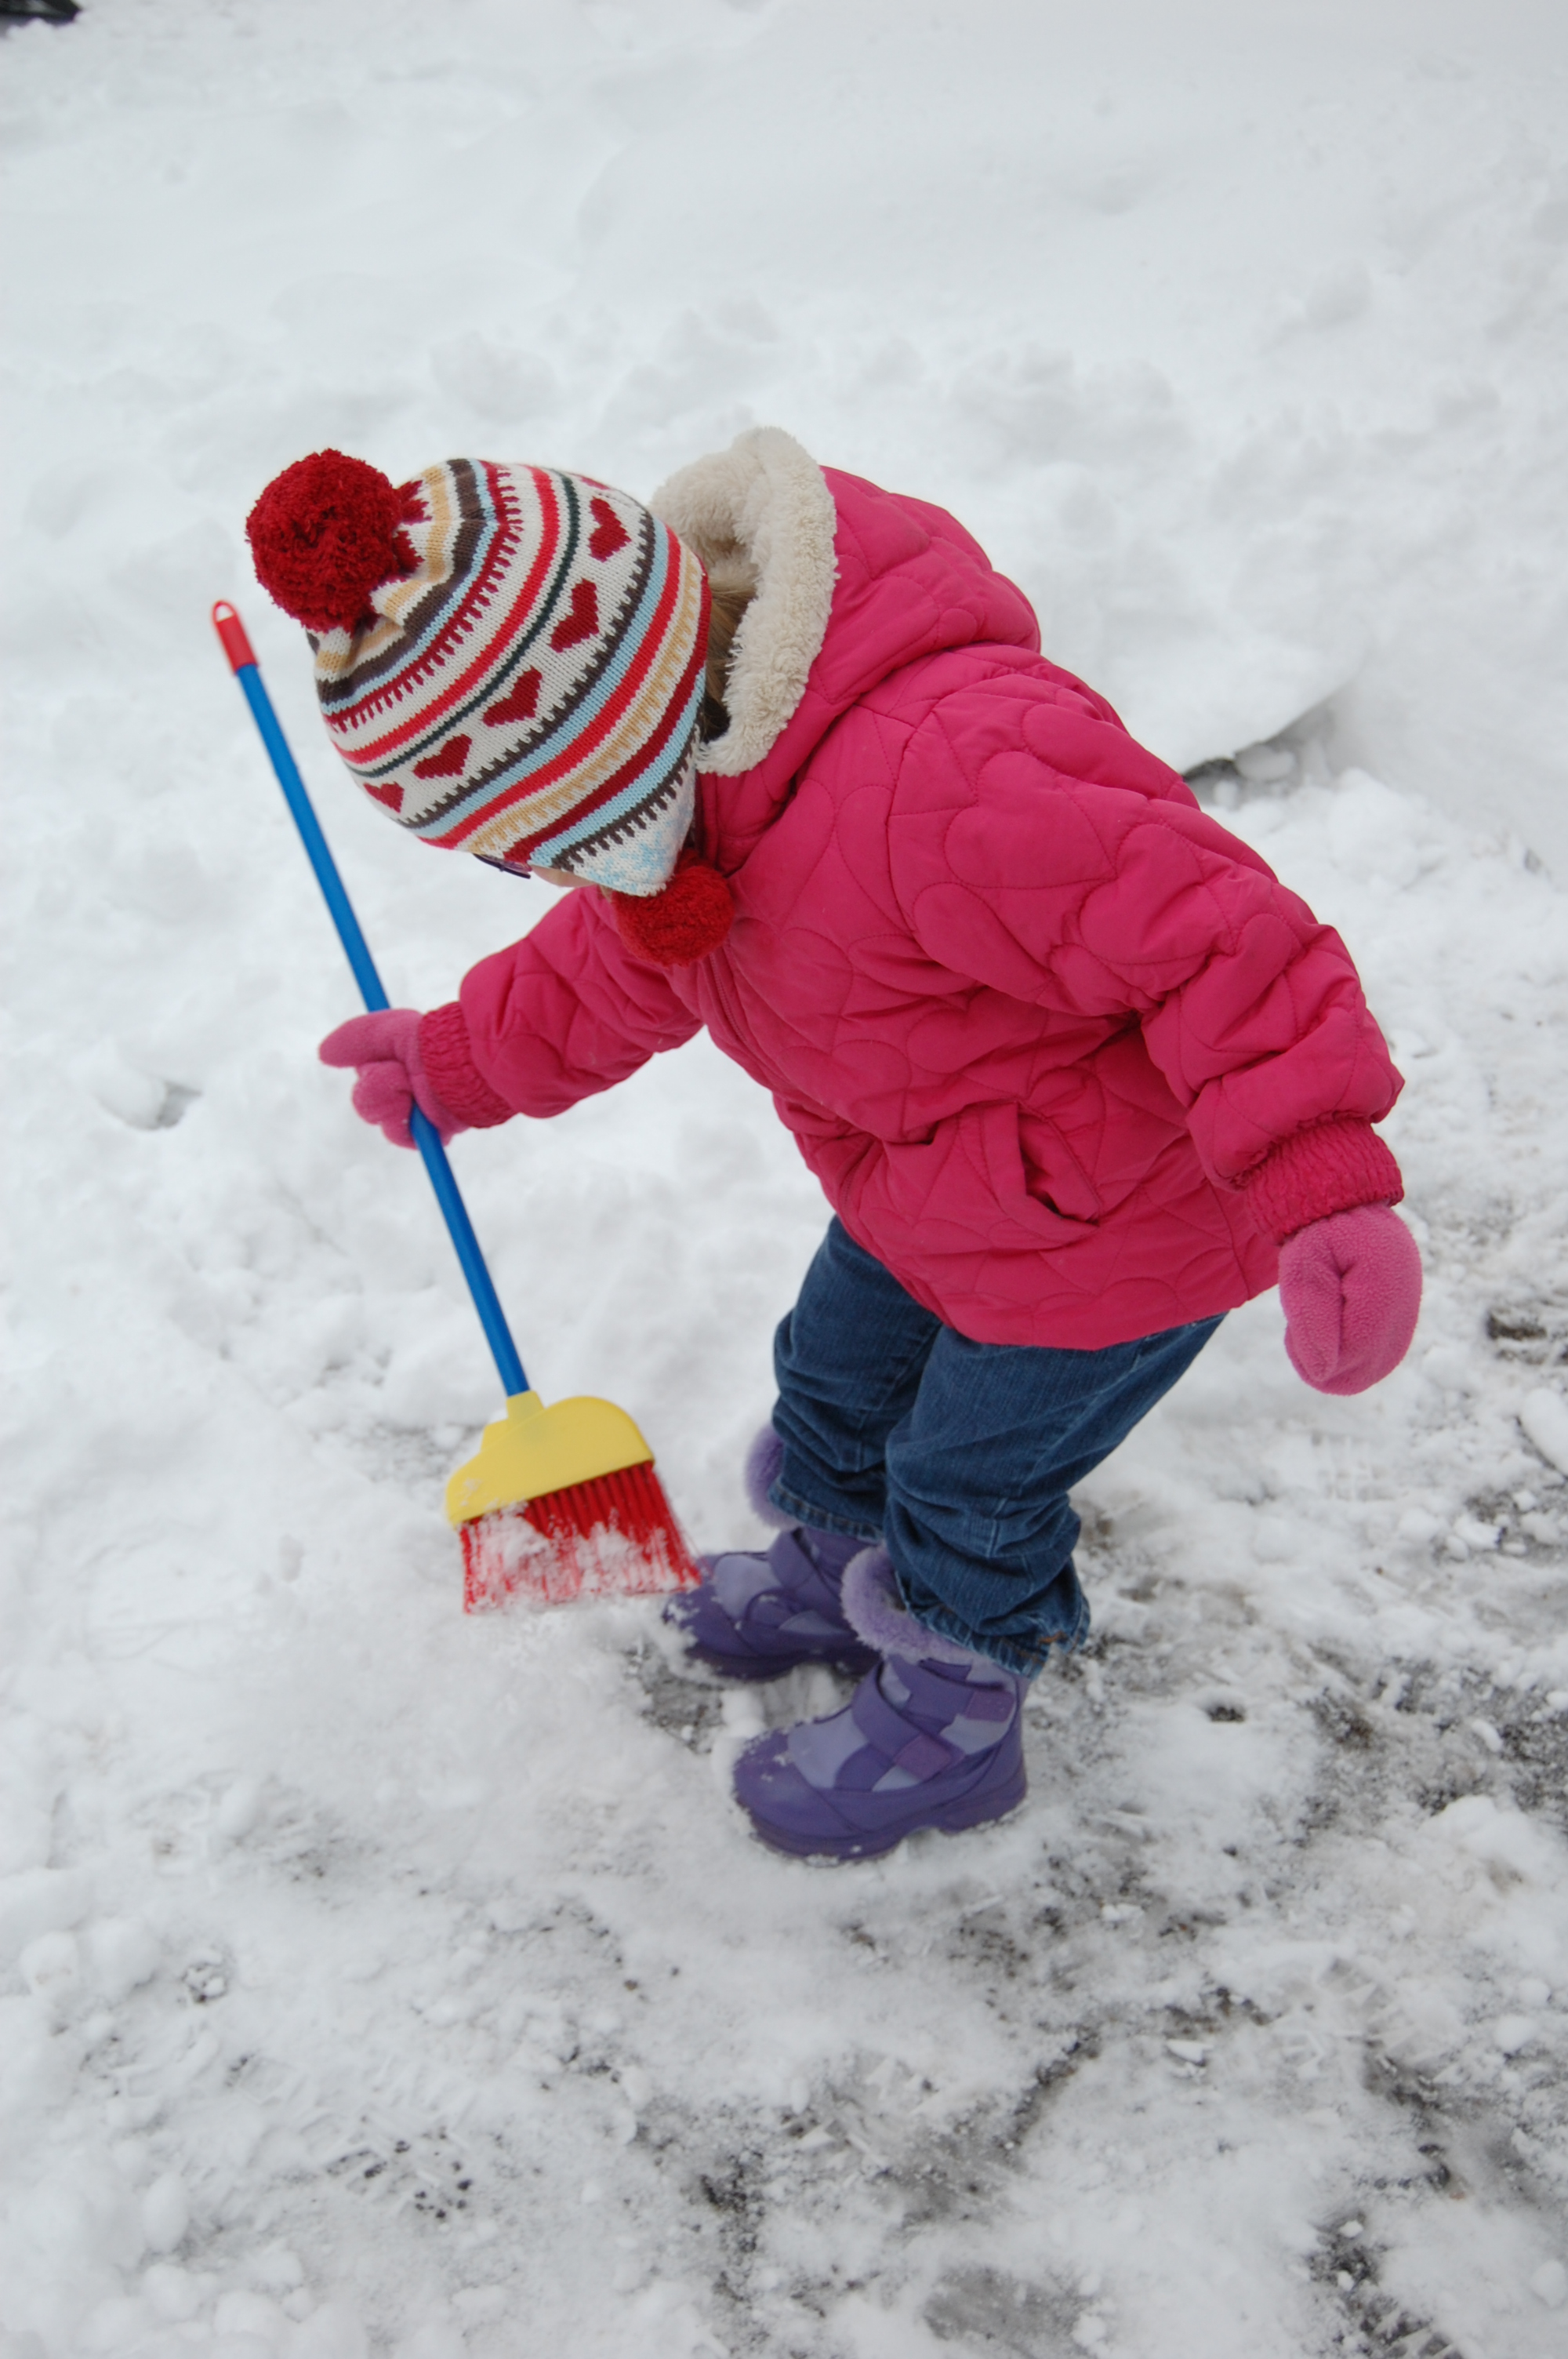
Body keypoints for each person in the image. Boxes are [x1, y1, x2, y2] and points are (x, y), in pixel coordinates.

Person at [243, 429, 1421, 1863]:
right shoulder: (683, 813)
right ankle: (833, 1563)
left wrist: (1319, 1178)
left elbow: (1217, 939)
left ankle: (956, 1707)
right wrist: (457, 1060)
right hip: (931, 1184)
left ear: (601, 741)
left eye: (539, 840)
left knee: (971, 1483)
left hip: (1135, 1224)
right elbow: (605, 970)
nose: (550, 872)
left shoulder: (951, 769)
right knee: (835, 1379)